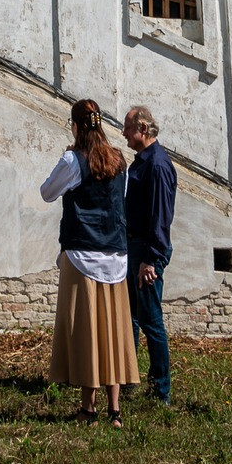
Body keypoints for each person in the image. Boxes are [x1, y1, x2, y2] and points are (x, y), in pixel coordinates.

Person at [40, 99, 139, 427]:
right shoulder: (118, 159)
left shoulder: (73, 160)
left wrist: (67, 161)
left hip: (83, 253)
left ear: (77, 126)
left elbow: (47, 192)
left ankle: (89, 408)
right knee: (112, 330)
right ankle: (115, 410)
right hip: (115, 254)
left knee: (86, 330)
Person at [122, 105, 177, 404]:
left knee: (151, 320)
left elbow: (160, 217)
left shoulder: (156, 165)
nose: (124, 134)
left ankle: (160, 391)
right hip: (136, 247)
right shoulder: (143, 162)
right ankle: (128, 377)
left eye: (128, 129)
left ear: (143, 129)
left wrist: (151, 259)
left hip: (146, 250)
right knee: (131, 316)